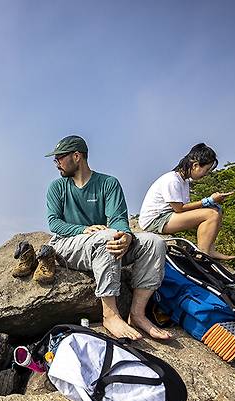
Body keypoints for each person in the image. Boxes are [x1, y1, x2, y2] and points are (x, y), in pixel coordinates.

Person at [45, 135, 171, 341]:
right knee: (107, 237)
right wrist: (83, 229)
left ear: (76, 156)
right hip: (68, 244)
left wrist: (127, 236)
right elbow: (54, 223)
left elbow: (119, 219)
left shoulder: (108, 183)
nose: (56, 163)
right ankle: (110, 315)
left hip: (102, 243)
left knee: (154, 243)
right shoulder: (57, 188)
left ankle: (138, 314)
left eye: (59, 158)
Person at [138, 143, 235, 260]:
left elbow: (185, 207)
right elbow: (179, 208)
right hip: (155, 221)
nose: (206, 174)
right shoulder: (172, 180)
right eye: (206, 169)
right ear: (195, 165)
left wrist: (212, 202)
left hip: (168, 216)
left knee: (216, 210)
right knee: (211, 214)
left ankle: (210, 249)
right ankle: (203, 254)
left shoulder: (184, 181)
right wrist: (209, 200)